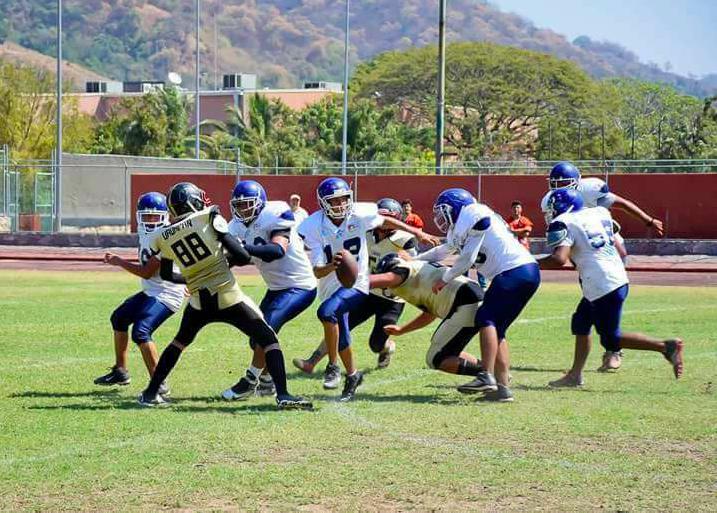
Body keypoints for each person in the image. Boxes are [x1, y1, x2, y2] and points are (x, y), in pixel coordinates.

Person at [137, 182, 312, 410]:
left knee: (179, 342)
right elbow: (240, 256)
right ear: (192, 200)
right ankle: (283, 394)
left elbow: (168, 273)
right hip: (227, 294)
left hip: (199, 298)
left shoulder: (162, 235)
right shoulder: (209, 217)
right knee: (269, 340)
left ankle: (151, 392)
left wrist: (190, 279)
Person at [298, 178, 439, 401]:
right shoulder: (313, 226)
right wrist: (331, 266)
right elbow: (317, 271)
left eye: (344, 199)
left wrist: (418, 232)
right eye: (334, 201)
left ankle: (332, 367)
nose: (341, 204)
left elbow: (385, 221)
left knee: (326, 312)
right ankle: (353, 376)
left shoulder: (359, 213)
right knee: (342, 330)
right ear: (323, 203)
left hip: (359, 283)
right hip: (331, 284)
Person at [538, 188, 683, 387]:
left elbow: (559, 259)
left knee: (611, 339)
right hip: (615, 277)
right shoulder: (599, 212)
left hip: (602, 285)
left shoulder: (565, 222)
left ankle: (666, 347)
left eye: (550, 210)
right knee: (581, 321)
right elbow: (612, 229)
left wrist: (530, 262)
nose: (549, 215)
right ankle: (575, 375)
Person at [418, 188, 541, 402]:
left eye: (444, 211)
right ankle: (502, 389)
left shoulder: (473, 213)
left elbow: (467, 259)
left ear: (456, 208)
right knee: (497, 329)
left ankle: (486, 375)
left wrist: (444, 278)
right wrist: (415, 260)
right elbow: (442, 251)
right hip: (521, 272)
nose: (440, 217)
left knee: (486, 318)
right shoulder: (462, 226)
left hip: (515, 270)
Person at [542, 161, 664, 367]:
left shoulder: (590, 190)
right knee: (587, 314)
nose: (559, 187)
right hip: (584, 247)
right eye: (555, 183)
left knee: (605, 321)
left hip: (600, 240)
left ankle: (614, 350)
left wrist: (648, 220)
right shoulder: (552, 201)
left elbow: (620, 204)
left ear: (577, 182)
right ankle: (580, 369)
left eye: (563, 182)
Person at [292, 198, 417, 373]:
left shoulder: (404, 239)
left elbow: (415, 265)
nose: (381, 227)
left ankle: (387, 347)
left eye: (386, 219)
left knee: (375, 344)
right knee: (341, 322)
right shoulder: (365, 232)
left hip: (392, 298)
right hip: (367, 291)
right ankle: (312, 362)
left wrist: (407, 260)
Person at [222, 180, 317, 401]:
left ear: (260, 203)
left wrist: (243, 250)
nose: (243, 210)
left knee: (265, 331)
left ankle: (250, 381)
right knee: (256, 340)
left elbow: (277, 250)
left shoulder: (275, 212)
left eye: (247, 204)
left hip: (300, 285)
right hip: (275, 288)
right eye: (239, 205)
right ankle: (267, 381)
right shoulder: (235, 226)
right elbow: (231, 259)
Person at [94, 192, 185, 397]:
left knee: (141, 331)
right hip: (153, 290)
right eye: (146, 216)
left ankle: (159, 383)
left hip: (168, 294)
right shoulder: (146, 233)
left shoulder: (165, 236)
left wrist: (119, 262)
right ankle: (120, 371)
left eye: (155, 216)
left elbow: (146, 271)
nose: (150, 220)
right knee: (119, 318)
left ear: (164, 216)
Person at [370, 254, 489, 392]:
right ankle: (491, 372)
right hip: (470, 298)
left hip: (466, 302)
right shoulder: (414, 274)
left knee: (436, 358)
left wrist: (351, 279)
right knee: (445, 351)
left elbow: (390, 277)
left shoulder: (402, 271)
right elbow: (430, 313)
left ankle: (490, 374)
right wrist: (402, 330)